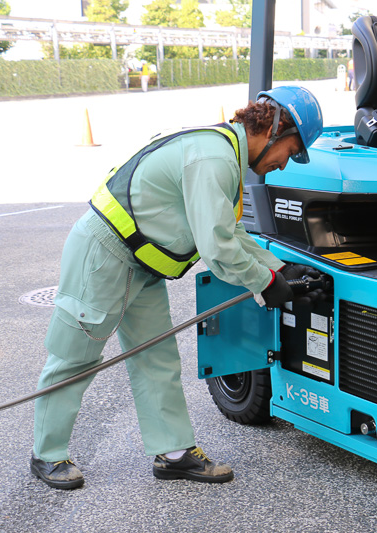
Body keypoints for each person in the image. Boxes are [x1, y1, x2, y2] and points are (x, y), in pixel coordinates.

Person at [30, 86, 324, 490]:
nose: (283, 165)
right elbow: (217, 247)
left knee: (157, 358)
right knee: (74, 357)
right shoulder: (213, 158)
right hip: (104, 253)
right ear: (275, 129)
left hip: (145, 263)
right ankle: (46, 455)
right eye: (290, 152)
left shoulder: (226, 155)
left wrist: (282, 269)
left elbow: (230, 231)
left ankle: (173, 453)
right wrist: (265, 283)